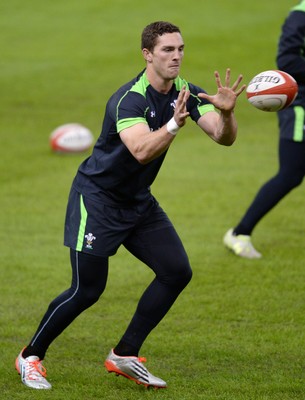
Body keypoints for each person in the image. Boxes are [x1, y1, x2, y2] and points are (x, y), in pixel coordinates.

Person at [15, 21, 245, 390]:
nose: (177, 56)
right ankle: (30, 357)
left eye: (181, 49)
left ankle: (125, 354)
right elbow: (139, 150)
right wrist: (173, 125)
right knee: (86, 290)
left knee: (176, 271)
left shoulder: (185, 91)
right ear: (147, 54)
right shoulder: (130, 99)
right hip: (98, 200)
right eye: (168, 50)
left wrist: (229, 113)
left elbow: (222, 136)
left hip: (138, 203)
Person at [223, 1, 305, 259]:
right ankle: (239, 232)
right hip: (300, 106)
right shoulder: (300, 15)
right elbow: (287, 60)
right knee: (291, 173)